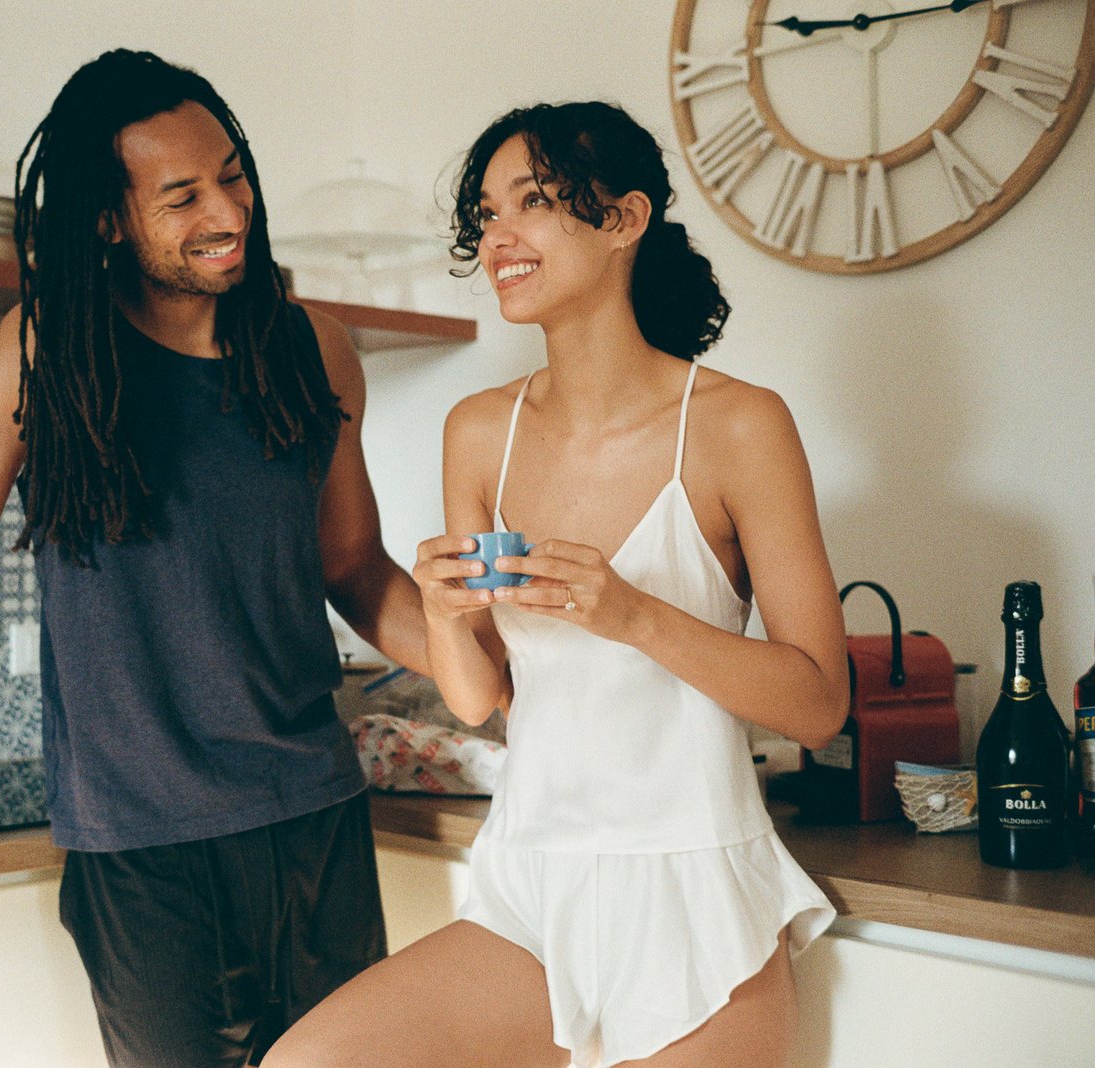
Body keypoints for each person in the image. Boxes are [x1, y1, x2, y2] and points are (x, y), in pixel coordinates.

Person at [0, 49, 428, 1068]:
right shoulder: (47, 348)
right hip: (143, 847)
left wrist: (493, 672)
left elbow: (356, 569)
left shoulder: (315, 349)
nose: (227, 212)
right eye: (181, 196)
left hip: (314, 815)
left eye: (231, 175)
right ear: (108, 218)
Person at [264, 102, 849, 1068]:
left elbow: (820, 705)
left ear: (623, 220)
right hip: (529, 892)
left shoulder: (741, 426)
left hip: (695, 892)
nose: (499, 236)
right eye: (487, 213)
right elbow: (481, 696)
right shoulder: (478, 431)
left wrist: (633, 616)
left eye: (531, 202)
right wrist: (448, 613)